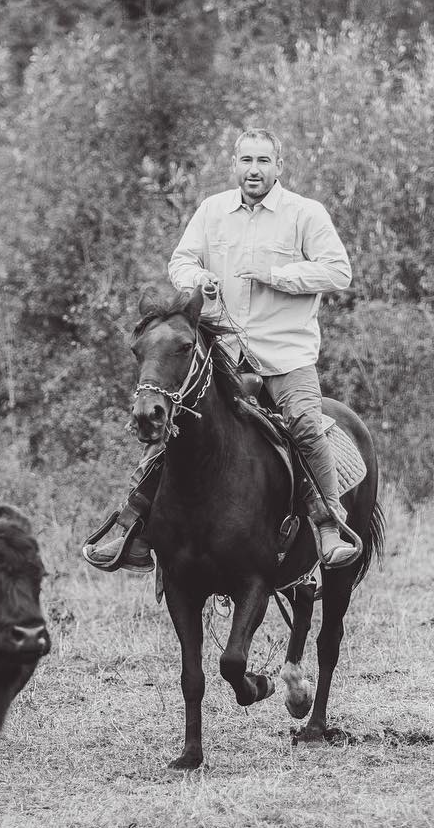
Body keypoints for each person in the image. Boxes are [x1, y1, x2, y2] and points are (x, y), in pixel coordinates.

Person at [83, 127, 360, 572]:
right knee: (175, 419)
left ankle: (330, 527)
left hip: (285, 354)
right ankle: (132, 530)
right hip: (224, 354)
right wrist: (197, 280)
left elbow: (338, 272)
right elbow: (181, 261)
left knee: (306, 424)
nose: (254, 170)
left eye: (263, 161)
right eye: (246, 160)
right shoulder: (213, 211)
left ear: (279, 167)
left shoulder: (304, 214)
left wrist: (276, 274)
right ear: (234, 164)